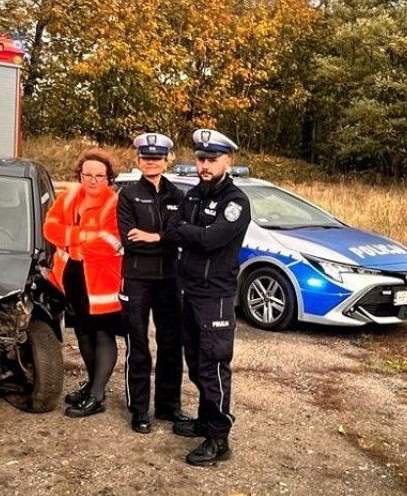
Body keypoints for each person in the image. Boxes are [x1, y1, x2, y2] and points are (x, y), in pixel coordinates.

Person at [159, 129, 251, 466]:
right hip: (190, 290)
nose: (205, 165)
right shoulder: (194, 195)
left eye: (212, 159)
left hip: (216, 296)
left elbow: (212, 240)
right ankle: (204, 419)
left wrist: (188, 232)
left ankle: (218, 438)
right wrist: (191, 233)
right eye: (200, 159)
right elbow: (172, 229)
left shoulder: (236, 202)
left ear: (228, 161)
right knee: (196, 363)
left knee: (213, 366)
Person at [43, 149, 124, 417]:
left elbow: (109, 243)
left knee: (102, 334)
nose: (92, 180)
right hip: (72, 279)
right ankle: (92, 385)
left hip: (101, 282)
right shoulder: (67, 198)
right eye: (87, 174)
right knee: (83, 334)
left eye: (99, 176)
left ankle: (98, 396)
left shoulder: (114, 204)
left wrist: (72, 240)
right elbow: (50, 229)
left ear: (108, 177)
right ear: (79, 174)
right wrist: (82, 236)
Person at [117, 133, 188, 434]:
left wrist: (154, 237)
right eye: (146, 158)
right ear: (138, 161)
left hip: (169, 279)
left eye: (157, 158)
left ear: (167, 160)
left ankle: (169, 406)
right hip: (136, 278)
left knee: (171, 344)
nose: (151, 163)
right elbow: (129, 240)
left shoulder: (177, 196)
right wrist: (163, 239)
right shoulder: (129, 194)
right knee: (139, 344)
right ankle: (138, 410)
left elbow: (180, 236)